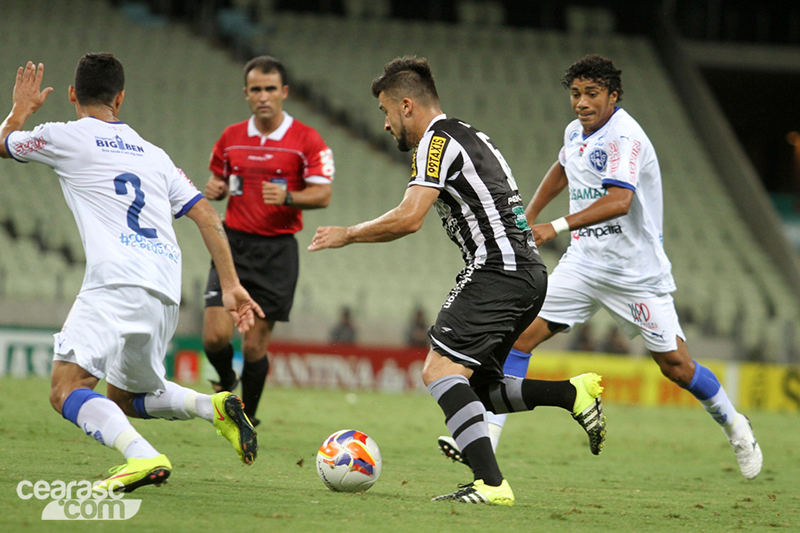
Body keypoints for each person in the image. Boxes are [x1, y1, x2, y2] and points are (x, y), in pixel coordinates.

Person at [438, 54, 762, 480]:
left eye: (592, 93)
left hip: (635, 275)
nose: (582, 102)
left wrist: (552, 226)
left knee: (676, 367)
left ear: (613, 95)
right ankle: (485, 443)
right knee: (516, 340)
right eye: (575, 94)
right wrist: (527, 215)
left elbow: (619, 201)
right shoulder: (576, 132)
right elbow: (563, 167)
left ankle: (737, 426)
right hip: (583, 265)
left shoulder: (625, 137)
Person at [309, 56, 606, 506]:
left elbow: (410, 218)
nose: (386, 125)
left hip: (499, 270)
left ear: (406, 105)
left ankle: (490, 484)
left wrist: (347, 234)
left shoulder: (437, 142)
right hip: (524, 272)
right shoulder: (470, 135)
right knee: (482, 387)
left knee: (439, 370)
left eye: (385, 112)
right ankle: (571, 394)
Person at [0, 54, 264, 492]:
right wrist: (232, 285)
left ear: (71, 95)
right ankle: (212, 406)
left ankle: (142, 457)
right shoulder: (156, 155)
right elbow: (207, 217)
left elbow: (3, 143)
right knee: (125, 397)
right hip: (164, 289)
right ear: (120, 99)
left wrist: (20, 112)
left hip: (115, 281)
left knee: (66, 389)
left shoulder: (64, 136)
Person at [202, 56, 333, 427]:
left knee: (255, 345)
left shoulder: (306, 139)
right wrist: (216, 188)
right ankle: (227, 379)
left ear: (284, 92)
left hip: (277, 251)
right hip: (233, 246)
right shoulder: (230, 138)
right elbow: (220, 181)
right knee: (214, 337)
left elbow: (323, 194)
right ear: (246, 93)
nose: (263, 96)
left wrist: (289, 196)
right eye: (256, 89)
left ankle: (247, 418)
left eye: (270, 89)